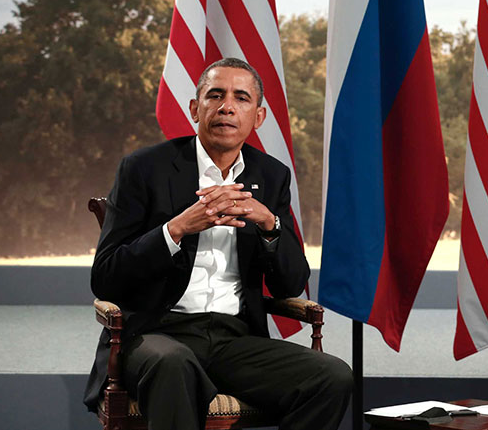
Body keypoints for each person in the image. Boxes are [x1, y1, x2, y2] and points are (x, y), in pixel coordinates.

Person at [83, 58, 352, 430]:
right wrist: (176, 229)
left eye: (241, 98)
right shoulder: (145, 168)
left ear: (257, 117)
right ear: (195, 109)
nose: (227, 106)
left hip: (234, 340)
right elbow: (106, 277)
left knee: (332, 376)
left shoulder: (271, 176)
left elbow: (290, 284)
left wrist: (269, 223)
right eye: (215, 95)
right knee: (174, 362)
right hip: (157, 334)